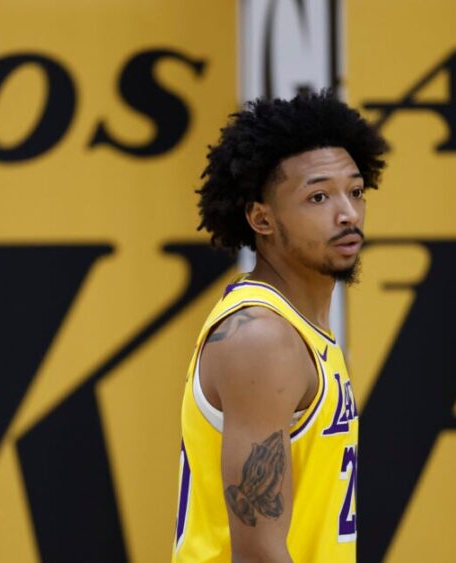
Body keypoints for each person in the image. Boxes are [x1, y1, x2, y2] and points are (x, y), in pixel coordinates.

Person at [172, 90, 387, 562]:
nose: (348, 214)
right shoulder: (261, 339)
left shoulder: (297, 329)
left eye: (355, 191)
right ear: (261, 218)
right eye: (318, 196)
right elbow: (258, 555)